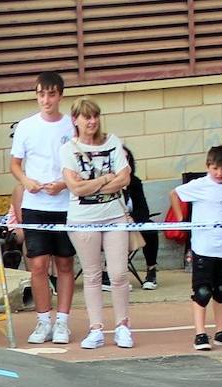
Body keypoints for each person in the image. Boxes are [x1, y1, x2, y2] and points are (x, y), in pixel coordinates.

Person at [58, 97, 133, 350]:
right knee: (91, 274)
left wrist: (96, 183)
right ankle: (96, 328)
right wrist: (104, 180)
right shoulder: (68, 149)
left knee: (119, 273)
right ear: (75, 121)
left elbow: (124, 178)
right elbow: (76, 188)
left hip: (114, 215)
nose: (92, 121)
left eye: (95, 116)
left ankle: (123, 325)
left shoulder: (113, 142)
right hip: (83, 219)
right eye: (86, 117)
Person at [10, 71, 75, 346]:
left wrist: (63, 184)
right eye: (41, 94)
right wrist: (27, 181)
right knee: (37, 265)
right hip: (35, 204)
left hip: (65, 204)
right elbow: (15, 164)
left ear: (60, 95)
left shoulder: (72, 125)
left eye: (51, 94)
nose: (46, 100)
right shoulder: (25, 126)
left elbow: (80, 163)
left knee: (64, 263)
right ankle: (43, 319)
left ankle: (63, 321)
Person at [171, 145, 222, 351]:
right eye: (215, 169)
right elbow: (174, 194)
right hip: (204, 247)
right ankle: (200, 333)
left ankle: (221, 332)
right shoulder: (199, 185)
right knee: (202, 292)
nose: (219, 173)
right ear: (208, 167)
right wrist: (180, 219)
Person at [123, 147, 158, 291]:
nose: (124, 163)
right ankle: (112, 274)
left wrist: (132, 219)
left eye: (127, 159)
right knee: (117, 234)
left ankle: (151, 271)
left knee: (150, 228)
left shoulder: (135, 182)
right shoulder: (107, 183)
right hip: (113, 223)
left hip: (133, 222)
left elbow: (144, 210)